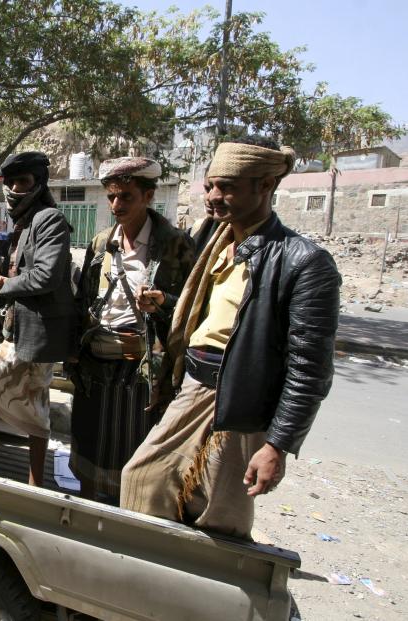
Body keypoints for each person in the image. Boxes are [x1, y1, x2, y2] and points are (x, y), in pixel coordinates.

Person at [121, 136, 341, 539]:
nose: (214, 196)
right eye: (209, 186)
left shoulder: (304, 262)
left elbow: (309, 371)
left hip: (240, 401)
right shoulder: (214, 242)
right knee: (143, 481)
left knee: (219, 516)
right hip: (193, 386)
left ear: (265, 187)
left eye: (228, 187)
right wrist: (167, 303)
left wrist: (277, 444)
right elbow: (211, 315)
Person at [69, 157, 195, 503]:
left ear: (149, 195)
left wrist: (163, 301)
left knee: (133, 452)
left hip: (141, 371)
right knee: (90, 447)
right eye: (111, 197)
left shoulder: (176, 245)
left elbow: (195, 304)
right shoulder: (100, 243)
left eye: (125, 197)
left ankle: (127, 518)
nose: (116, 205)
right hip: (96, 364)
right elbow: (84, 301)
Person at [0, 152, 75, 486]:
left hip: (34, 335)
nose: (13, 189)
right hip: (26, 332)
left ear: (38, 183)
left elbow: (46, 276)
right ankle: (35, 486)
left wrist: (4, 285)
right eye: (9, 182)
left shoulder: (47, 219)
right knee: (36, 413)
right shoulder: (28, 221)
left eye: (22, 182)